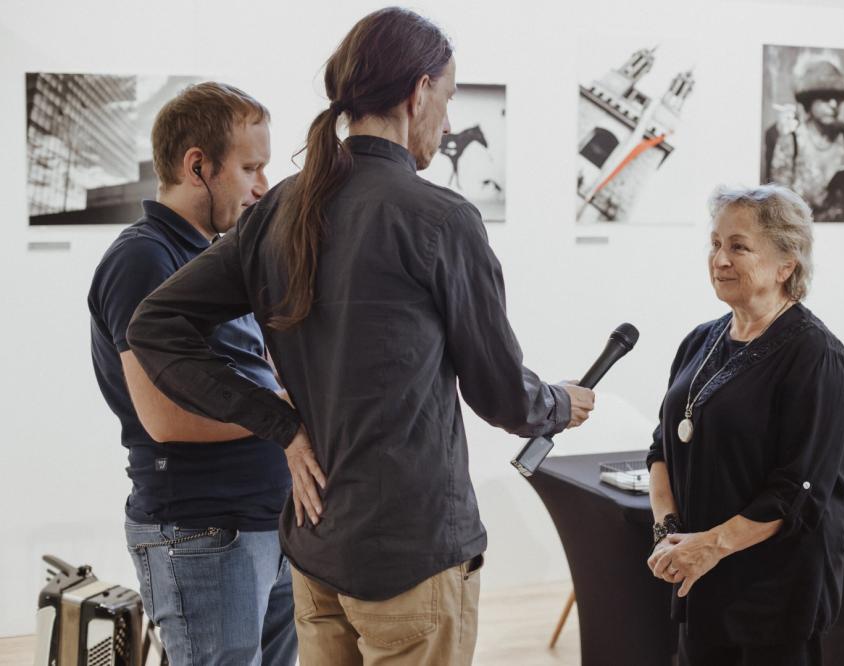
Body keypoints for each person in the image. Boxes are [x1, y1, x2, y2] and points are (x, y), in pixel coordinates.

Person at [125, 7, 595, 665]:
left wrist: (281, 424)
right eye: (448, 98)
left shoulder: (279, 209)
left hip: (317, 550)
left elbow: (154, 325)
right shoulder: (440, 219)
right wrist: (559, 404)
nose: (448, 124)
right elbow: (502, 396)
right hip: (411, 557)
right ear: (419, 92)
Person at [88, 82, 297, 665]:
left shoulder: (216, 255)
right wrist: (289, 413)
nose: (262, 186)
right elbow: (164, 416)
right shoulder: (143, 258)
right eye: (250, 168)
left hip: (265, 520)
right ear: (197, 165)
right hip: (205, 531)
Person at [645, 184, 844, 666]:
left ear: (786, 265)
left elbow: (796, 492)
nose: (720, 259)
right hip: (700, 577)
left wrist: (710, 545)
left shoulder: (816, 356)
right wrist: (669, 533)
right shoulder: (699, 341)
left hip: (772, 595)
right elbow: (662, 448)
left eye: (739, 247)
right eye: (715, 243)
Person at [765, 59, 844, 221]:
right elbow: (778, 199)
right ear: (810, 101)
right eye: (825, 98)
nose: (834, 104)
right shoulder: (792, 139)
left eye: (838, 98)